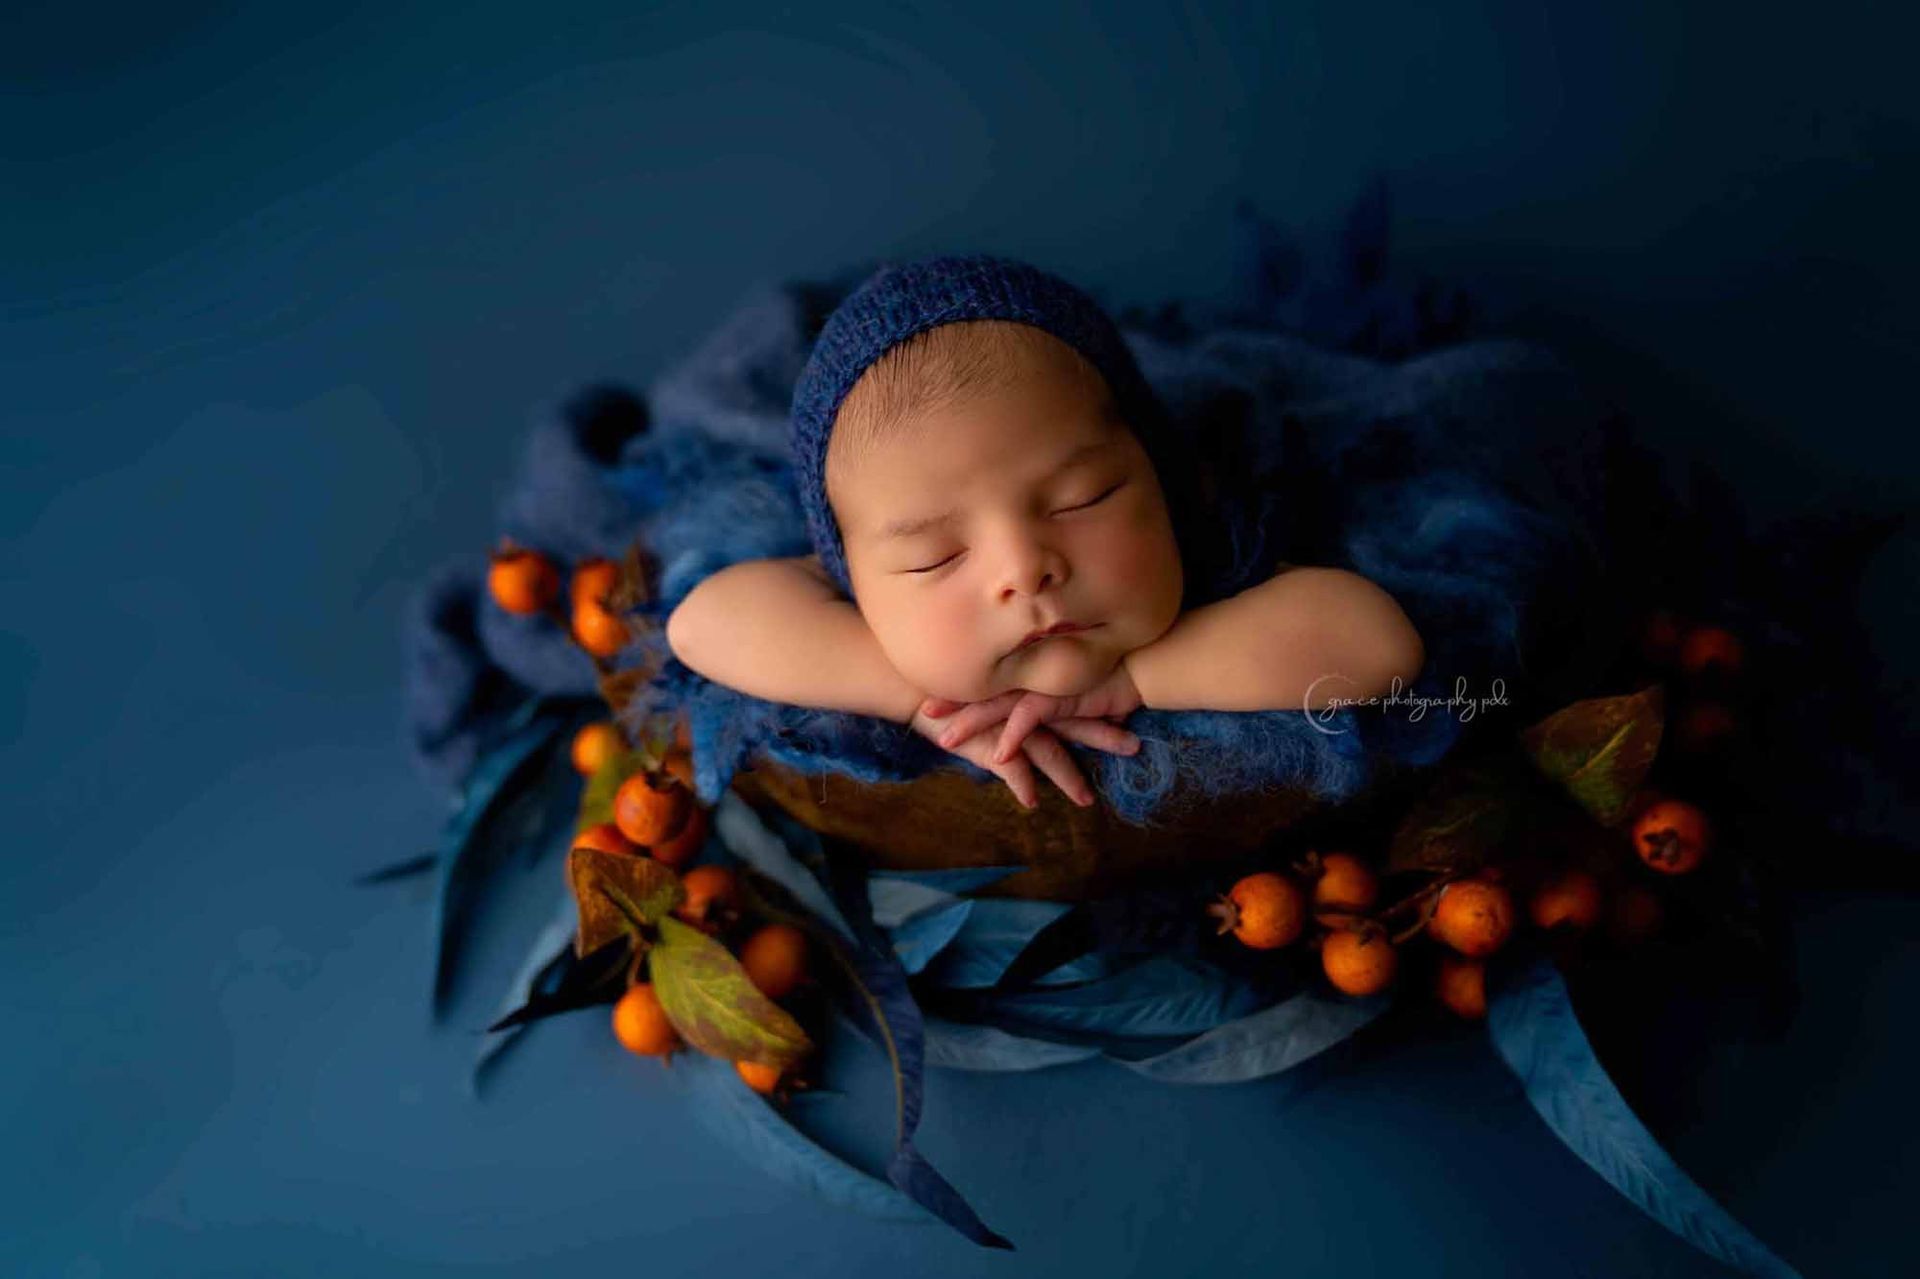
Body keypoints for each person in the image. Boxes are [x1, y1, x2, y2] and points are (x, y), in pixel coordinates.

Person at [664, 254, 1424, 811]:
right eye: (937, 556)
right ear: (853, 582)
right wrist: (915, 696)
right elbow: (701, 623)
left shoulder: (1219, 534)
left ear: (1162, 480)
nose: (1024, 569)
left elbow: (1378, 642)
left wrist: (1133, 680)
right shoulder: (856, 590)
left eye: (1081, 498)